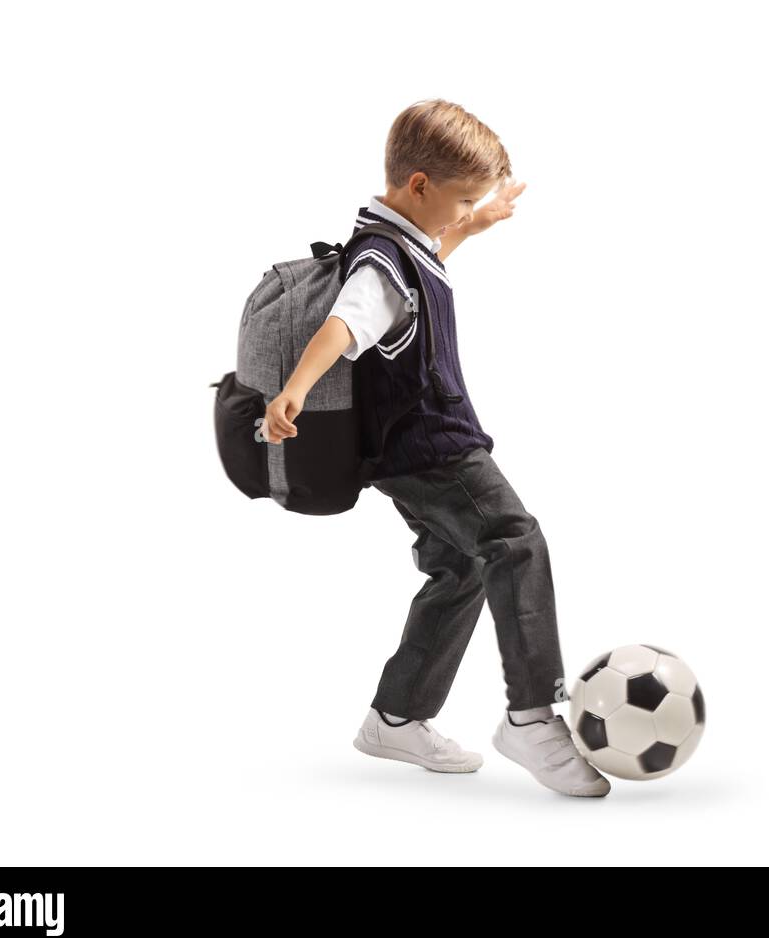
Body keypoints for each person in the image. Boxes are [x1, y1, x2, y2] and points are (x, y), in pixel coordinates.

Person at [261, 99, 609, 797]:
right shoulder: (378, 262)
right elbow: (345, 323)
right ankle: (532, 714)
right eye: (460, 199)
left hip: (408, 452)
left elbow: (418, 274)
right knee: (516, 540)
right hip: (433, 447)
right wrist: (293, 389)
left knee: (459, 568)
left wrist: (472, 225)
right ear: (417, 186)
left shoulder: (398, 246)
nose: (463, 211)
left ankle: (396, 716)